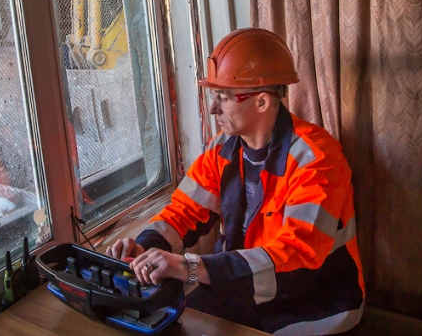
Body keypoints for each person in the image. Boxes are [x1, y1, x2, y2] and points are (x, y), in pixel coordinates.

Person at [108, 28, 365, 335]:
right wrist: (144, 247)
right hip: (244, 286)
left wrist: (193, 268)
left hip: (313, 301)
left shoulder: (317, 160)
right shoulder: (222, 148)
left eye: (224, 97)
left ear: (262, 102)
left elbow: (298, 259)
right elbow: (183, 213)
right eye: (214, 95)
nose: (213, 108)